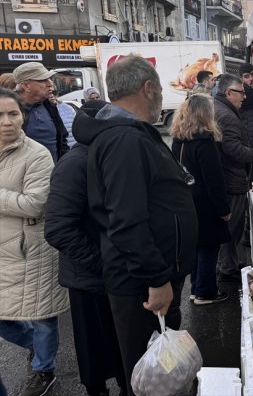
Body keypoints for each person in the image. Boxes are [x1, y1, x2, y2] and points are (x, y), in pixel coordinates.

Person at [72, 55, 198, 396]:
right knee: (149, 376)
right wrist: (156, 279)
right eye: (158, 89)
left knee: (162, 369)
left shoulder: (131, 135)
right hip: (141, 284)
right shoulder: (124, 140)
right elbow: (127, 220)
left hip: (149, 277)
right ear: (147, 88)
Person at [44, 99, 126, 396]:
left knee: (117, 347)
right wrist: (103, 262)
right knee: (94, 350)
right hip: (89, 276)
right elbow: (58, 229)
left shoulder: (103, 156)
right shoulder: (76, 163)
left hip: (109, 273)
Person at [0, 87, 69, 396]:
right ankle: (36, 346)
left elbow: (35, 204)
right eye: (0, 115)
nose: (6, 121)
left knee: (41, 316)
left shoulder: (37, 154)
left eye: (13, 114)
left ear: (23, 117)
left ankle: (44, 369)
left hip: (30, 250)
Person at [170, 94, 231, 305]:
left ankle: (196, 288)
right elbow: (214, 181)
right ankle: (206, 292)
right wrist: (224, 209)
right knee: (209, 247)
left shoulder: (179, 141)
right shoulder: (204, 143)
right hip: (205, 205)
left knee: (196, 247)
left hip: (187, 202)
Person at [213, 73, 253, 281]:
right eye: (241, 93)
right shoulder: (226, 115)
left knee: (230, 226)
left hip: (227, 176)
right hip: (231, 178)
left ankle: (229, 262)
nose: (244, 97)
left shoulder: (219, 108)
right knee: (232, 226)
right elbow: (232, 149)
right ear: (228, 92)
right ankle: (227, 266)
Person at [13, 62, 69, 162]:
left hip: (54, 173)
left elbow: (62, 139)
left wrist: (65, 164)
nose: (50, 84)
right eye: (43, 80)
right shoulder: (9, 110)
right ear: (26, 86)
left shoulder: (49, 106)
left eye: (49, 79)